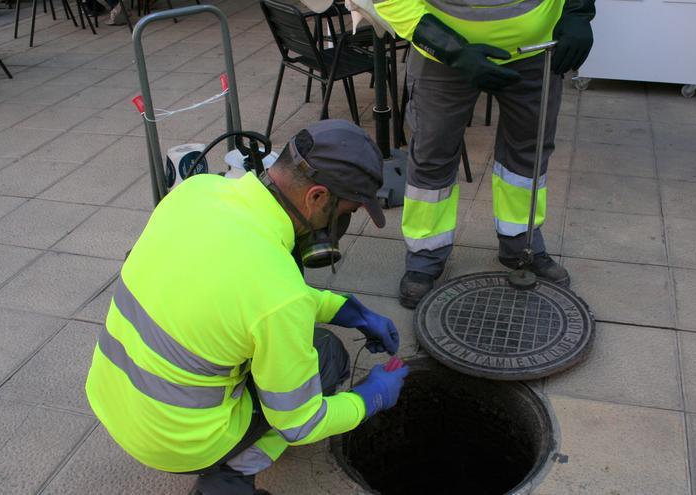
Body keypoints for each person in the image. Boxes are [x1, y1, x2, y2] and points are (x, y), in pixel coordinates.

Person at [85, 119, 410, 495]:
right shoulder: (278, 290)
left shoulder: (197, 191)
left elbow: (239, 296)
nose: (343, 223)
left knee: (273, 343)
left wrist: (347, 310)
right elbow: (300, 422)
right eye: (346, 212)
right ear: (317, 197)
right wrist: (369, 399)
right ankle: (230, 477)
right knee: (327, 355)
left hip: (112, 400)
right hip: (179, 442)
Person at [369, 0, 595, 308]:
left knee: (529, 152)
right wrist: (452, 49)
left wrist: (577, 13)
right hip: (443, 54)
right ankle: (425, 255)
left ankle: (520, 243)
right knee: (433, 155)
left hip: (536, 48)